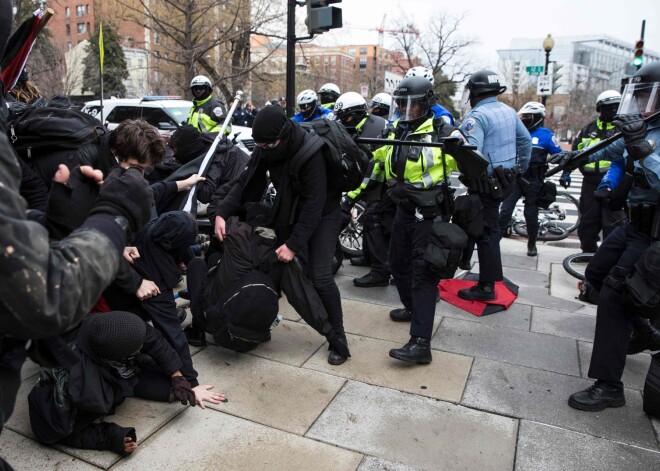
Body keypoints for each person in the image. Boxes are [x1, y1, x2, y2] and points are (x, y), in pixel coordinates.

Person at [0, 108, 154, 471]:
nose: (138, 175)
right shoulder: (80, 158)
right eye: (138, 168)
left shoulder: (91, 153)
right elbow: (42, 296)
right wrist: (113, 220)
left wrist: (55, 225)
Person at [556, 62, 660, 412]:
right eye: (639, 95)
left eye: (647, 95)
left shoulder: (647, 135)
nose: (641, 103)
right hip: (631, 224)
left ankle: (609, 386)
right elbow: (610, 152)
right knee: (596, 273)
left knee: (616, 294)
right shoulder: (644, 126)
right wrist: (574, 159)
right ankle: (645, 331)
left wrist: (642, 149)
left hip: (655, 234)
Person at [213, 105, 349, 364]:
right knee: (271, 266)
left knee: (319, 276)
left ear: (283, 136)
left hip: (323, 213)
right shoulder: (267, 147)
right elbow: (246, 180)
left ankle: (338, 338)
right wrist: (222, 211)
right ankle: (259, 323)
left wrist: (293, 245)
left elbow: (314, 205)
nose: (262, 150)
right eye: (259, 146)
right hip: (289, 207)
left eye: (267, 146)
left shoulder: (312, 152)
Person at [28, 312, 225, 456]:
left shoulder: (110, 327)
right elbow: (53, 432)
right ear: (115, 356)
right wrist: (110, 438)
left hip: (113, 372)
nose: (142, 349)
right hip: (90, 378)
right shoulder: (74, 382)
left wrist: (180, 378)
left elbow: (153, 340)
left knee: (173, 392)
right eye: (136, 349)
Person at [367, 76, 464, 363]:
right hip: (403, 208)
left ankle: (421, 342)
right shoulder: (395, 128)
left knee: (424, 274)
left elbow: (469, 162)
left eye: (414, 104)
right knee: (397, 263)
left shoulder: (441, 131)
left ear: (427, 104)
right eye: (402, 104)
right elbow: (379, 157)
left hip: (429, 213)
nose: (407, 109)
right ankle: (412, 308)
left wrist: (459, 147)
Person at [456, 69, 532, 301]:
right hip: (506, 180)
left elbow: (470, 153)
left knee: (486, 233)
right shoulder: (509, 112)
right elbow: (526, 141)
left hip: (485, 184)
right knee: (486, 227)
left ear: (475, 92)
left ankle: (487, 286)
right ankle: (473, 266)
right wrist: (520, 169)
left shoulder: (476, 118)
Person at [333, 92, 391, 287]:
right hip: (369, 181)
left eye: (345, 117)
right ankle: (368, 257)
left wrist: (351, 197)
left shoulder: (376, 129)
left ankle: (380, 272)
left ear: (356, 114)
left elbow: (373, 169)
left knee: (373, 221)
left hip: (380, 183)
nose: (342, 121)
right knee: (368, 219)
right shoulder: (357, 127)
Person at [497, 102, 562, 256]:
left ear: (538, 117)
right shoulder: (517, 132)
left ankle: (532, 244)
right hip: (516, 178)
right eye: (523, 116)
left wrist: (565, 172)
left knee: (530, 214)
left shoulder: (546, 135)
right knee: (505, 211)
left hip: (534, 180)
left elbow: (560, 155)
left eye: (527, 116)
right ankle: (494, 242)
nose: (524, 119)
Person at [565, 90, 625, 253]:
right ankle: (587, 254)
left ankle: (609, 259)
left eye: (616, 107)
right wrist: (566, 172)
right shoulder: (587, 129)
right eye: (608, 107)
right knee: (588, 223)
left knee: (612, 223)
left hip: (616, 183)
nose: (613, 111)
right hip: (590, 182)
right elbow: (575, 153)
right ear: (600, 108)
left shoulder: (624, 129)